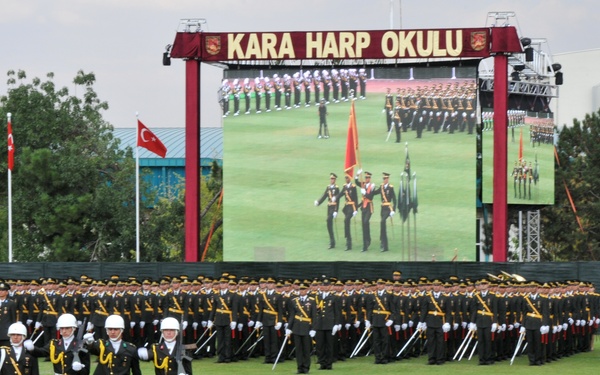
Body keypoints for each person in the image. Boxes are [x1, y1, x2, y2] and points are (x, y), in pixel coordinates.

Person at [25, 313, 90, 375]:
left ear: (74, 328)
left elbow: (87, 371)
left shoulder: (82, 344)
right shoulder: (54, 344)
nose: (64, 331)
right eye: (62, 328)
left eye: (67, 328)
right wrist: (32, 349)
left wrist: (80, 369)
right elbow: (41, 352)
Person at [286, 283, 316, 374]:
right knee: (298, 350)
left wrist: (313, 328)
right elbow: (292, 315)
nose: (301, 291)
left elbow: (314, 316)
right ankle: (299, 368)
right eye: (300, 290)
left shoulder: (312, 301)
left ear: (307, 290)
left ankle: (306, 368)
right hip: (297, 327)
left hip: (307, 327)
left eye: (303, 290)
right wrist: (289, 327)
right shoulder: (294, 301)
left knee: (306, 349)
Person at [314, 173, 340, 249]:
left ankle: (332, 242)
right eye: (331, 179)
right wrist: (318, 202)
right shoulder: (328, 187)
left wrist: (336, 210)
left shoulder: (337, 188)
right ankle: (332, 241)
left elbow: (338, 200)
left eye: (333, 179)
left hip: (333, 207)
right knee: (329, 224)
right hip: (329, 207)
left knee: (328, 220)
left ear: (335, 180)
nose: (331, 180)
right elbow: (324, 196)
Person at [373, 173, 396, 252]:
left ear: (388, 179)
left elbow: (394, 199)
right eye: (383, 179)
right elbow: (375, 193)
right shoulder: (381, 187)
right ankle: (383, 243)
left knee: (382, 222)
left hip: (388, 208)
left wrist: (393, 210)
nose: (385, 180)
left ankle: (384, 244)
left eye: (386, 178)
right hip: (382, 208)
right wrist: (371, 188)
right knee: (382, 225)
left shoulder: (391, 188)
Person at [355, 171, 376, 252]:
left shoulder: (372, 186)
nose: (366, 179)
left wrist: (365, 193)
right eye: (365, 177)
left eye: (368, 178)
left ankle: (367, 240)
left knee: (366, 221)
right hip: (363, 207)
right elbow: (356, 182)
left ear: (370, 178)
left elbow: (370, 197)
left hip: (369, 207)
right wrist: (357, 175)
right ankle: (365, 244)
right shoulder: (363, 184)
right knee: (364, 225)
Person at [336, 173, 358, 250]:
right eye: (345, 178)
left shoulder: (353, 187)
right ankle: (347, 239)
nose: (346, 179)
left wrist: (356, 209)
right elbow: (341, 194)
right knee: (346, 223)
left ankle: (348, 242)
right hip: (346, 208)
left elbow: (356, 198)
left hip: (352, 207)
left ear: (350, 178)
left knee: (346, 220)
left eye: (347, 178)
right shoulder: (345, 187)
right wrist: (335, 198)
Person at [0, 282, 16, 348]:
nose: (0, 292)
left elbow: (13, 318)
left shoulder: (11, 303)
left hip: (5, 332)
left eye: (3, 290)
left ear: (7, 292)